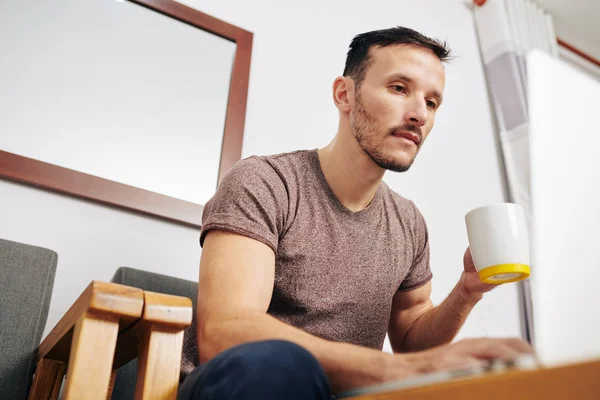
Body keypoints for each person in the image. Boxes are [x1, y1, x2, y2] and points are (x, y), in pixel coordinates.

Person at [178, 26, 533, 400]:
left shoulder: (408, 223)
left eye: (431, 102)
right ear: (344, 94)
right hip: (245, 385)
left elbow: (412, 343)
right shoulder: (266, 183)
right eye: (399, 88)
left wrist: (466, 291)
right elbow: (225, 333)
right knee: (279, 365)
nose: (419, 114)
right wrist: (396, 370)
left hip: (350, 393)